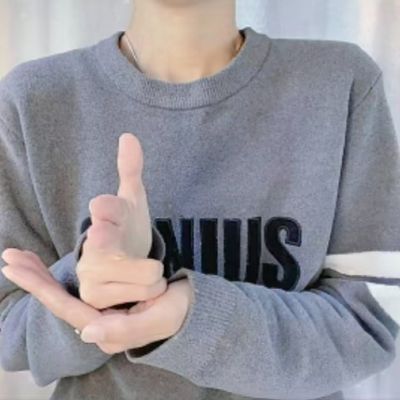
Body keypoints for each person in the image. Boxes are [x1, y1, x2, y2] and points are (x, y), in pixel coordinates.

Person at [1, 0, 400, 399]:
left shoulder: (340, 83)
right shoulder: (33, 99)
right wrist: (90, 294)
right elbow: (8, 323)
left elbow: (371, 319)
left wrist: (196, 319)